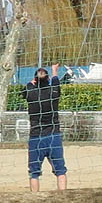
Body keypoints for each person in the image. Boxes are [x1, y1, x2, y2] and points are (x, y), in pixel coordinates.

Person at [23, 64, 67, 192]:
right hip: (53, 136)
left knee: (34, 173)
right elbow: (56, 83)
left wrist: (33, 83)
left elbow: (24, 91)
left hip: (36, 137)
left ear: (35, 80)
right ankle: (63, 197)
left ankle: (34, 198)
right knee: (60, 170)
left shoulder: (30, 92)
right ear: (48, 79)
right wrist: (54, 71)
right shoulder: (53, 92)